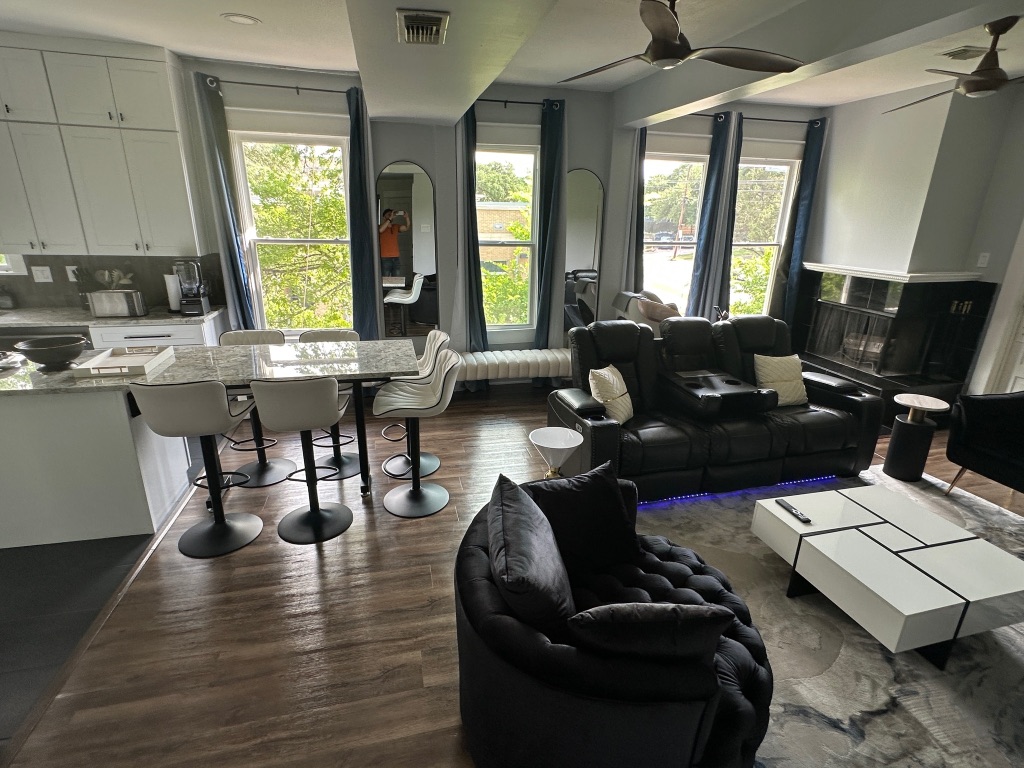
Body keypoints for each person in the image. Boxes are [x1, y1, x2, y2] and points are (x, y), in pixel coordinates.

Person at [378, 208, 410, 277]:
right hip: (385, 257)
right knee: (385, 279)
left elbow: (406, 228)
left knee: (396, 279)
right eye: (388, 215)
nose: (390, 216)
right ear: (384, 217)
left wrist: (407, 218)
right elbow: (380, 230)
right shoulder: (380, 226)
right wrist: (390, 218)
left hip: (396, 257)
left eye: (391, 214)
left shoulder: (395, 226)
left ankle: (395, 288)